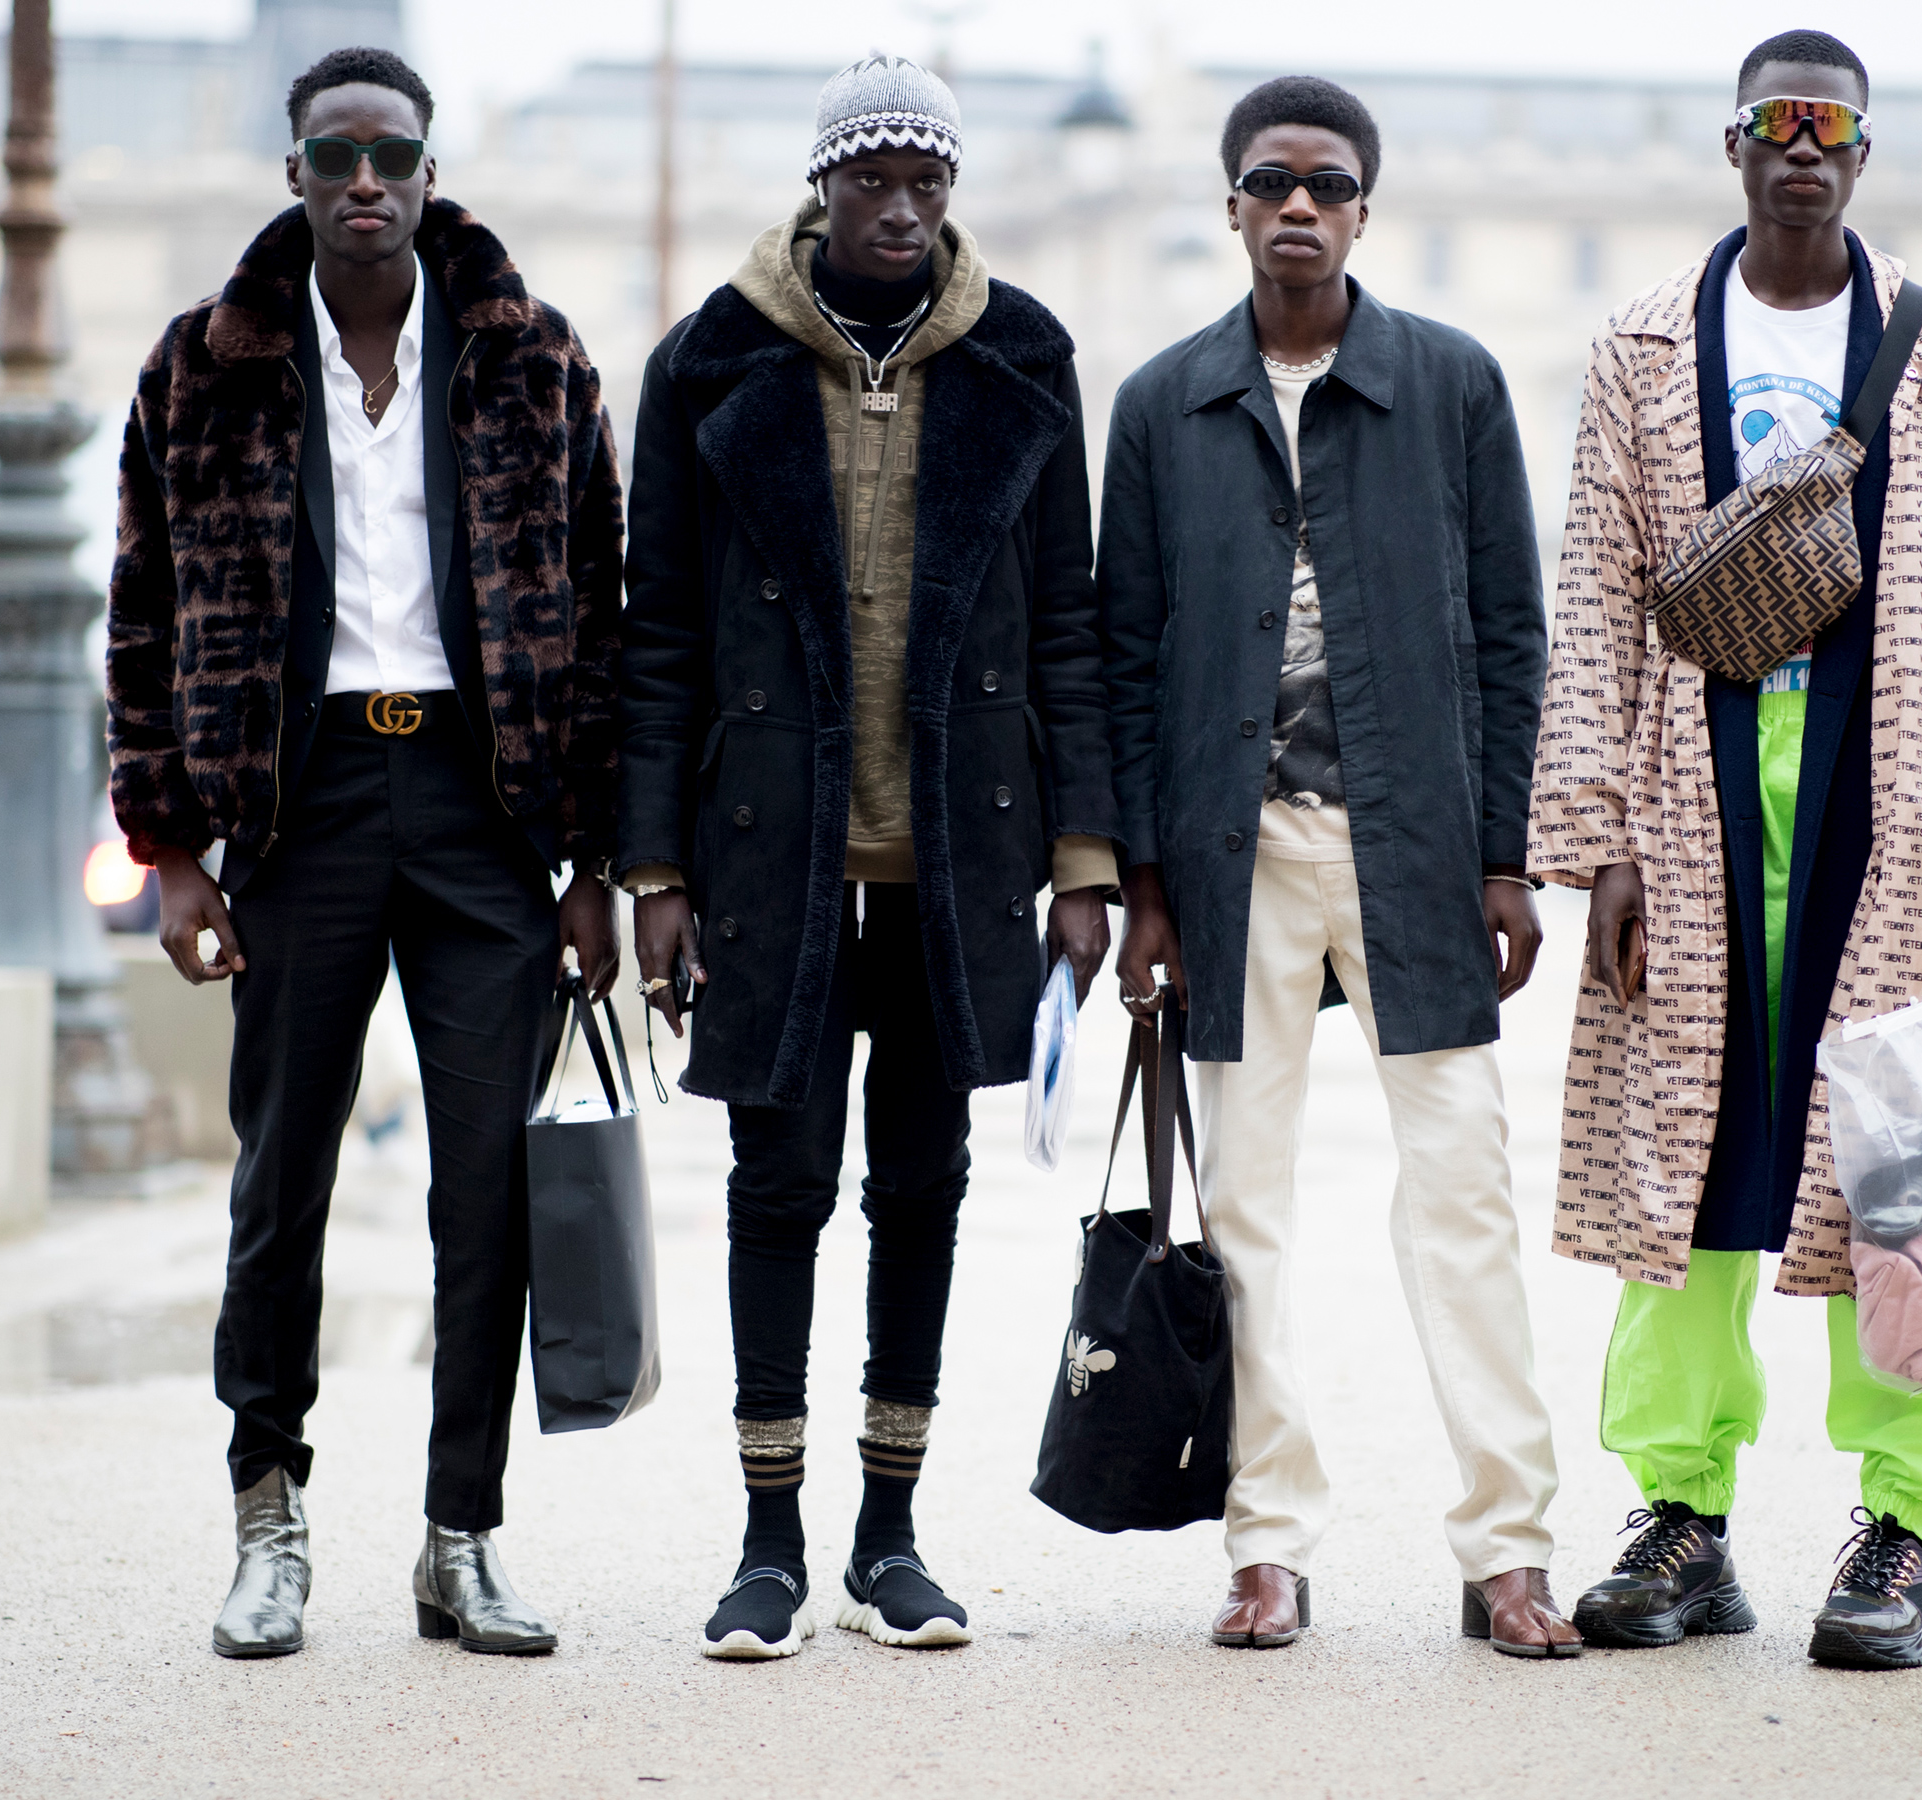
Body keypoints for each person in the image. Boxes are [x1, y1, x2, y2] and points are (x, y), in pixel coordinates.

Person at [1528, 29, 1922, 1671]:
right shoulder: (1639, 344)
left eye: (1831, 126)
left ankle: (1909, 1525)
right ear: (1737, 146)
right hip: (1686, 794)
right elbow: (1599, 591)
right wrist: (1594, 838)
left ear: (1865, 152)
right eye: (1777, 124)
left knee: (1901, 1170)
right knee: (1680, 1172)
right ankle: (1679, 1517)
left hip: (1882, 792)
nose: (1804, 150)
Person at [106, 47, 623, 1660]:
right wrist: (170, 848)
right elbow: (141, 616)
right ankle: (269, 1519)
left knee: (489, 1194)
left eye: (391, 152)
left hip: (482, 809)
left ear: (428, 165)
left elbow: (603, 617)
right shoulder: (204, 368)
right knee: (283, 1186)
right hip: (300, 802)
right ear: (296, 174)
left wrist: (599, 859)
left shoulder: (532, 359)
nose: (364, 179)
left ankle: (459, 1538)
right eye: (334, 154)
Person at [620, 53, 1117, 1660]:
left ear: (951, 191)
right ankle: (768, 1542)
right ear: (823, 187)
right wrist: (654, 876)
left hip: (959, 855)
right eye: (872, 180)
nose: (900, 209)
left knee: (926, 1190)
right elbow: (661, 638)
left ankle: (888, 1540)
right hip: (767, 852)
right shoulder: (707, 361)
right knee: (777, 1193)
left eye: (928, 183)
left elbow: (1068, 626)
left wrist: (1088, 859)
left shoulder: (1026, 355)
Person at [1099, 75, 1578, 1659]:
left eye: (1326, 182)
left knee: (1461, 1197)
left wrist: (1505, 856)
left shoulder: (1449, 386)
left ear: (1365, 208)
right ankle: (1268, 1546)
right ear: (1231, 205)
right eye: (1268, 182)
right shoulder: (1164, 405)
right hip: (1234, 864)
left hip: (1418, 850)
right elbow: (1123, 653)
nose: (1296, 205)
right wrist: (1148, 887)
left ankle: (1508, 1547)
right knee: (1244, 1204)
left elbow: (1515, 638)